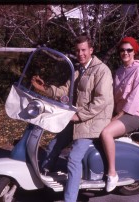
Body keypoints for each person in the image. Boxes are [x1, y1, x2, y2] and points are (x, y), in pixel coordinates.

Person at [31, 34, 114, 202]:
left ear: (91, 50)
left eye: (84, 50)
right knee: (52, 146)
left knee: (73, 159)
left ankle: (70, 199)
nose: (80, 53)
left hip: (93, 122)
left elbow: (101, 100)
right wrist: (45, 89)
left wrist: (79, 115)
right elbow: (65, 90)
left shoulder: (102, 70)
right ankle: (42, 183)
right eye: (78, 50)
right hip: (77, 119)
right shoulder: (78, 70)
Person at [100, 36, 139, 192]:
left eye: (129, 50)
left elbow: (134, 98)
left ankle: (112, 173)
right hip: (120, 112)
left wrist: (118, 115)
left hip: (134, 113)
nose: (125, 53)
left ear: (134, 52)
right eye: (122, 50)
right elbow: (113, 95)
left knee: (106, 133)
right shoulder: (120, 71)